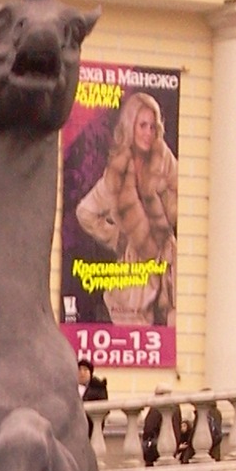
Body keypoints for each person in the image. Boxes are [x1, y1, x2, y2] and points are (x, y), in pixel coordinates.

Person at [74, 89, 178, 327]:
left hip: (169, 265)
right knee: (135, 331)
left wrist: (165, 206)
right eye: (142, 125)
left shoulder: (164, 160)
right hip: (134, 273)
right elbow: (85, 213)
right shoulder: (115, 175)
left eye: (152, 127)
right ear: (130, 126)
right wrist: (116, 237)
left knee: (175, 331)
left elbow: (184, 195)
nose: (148, 133)